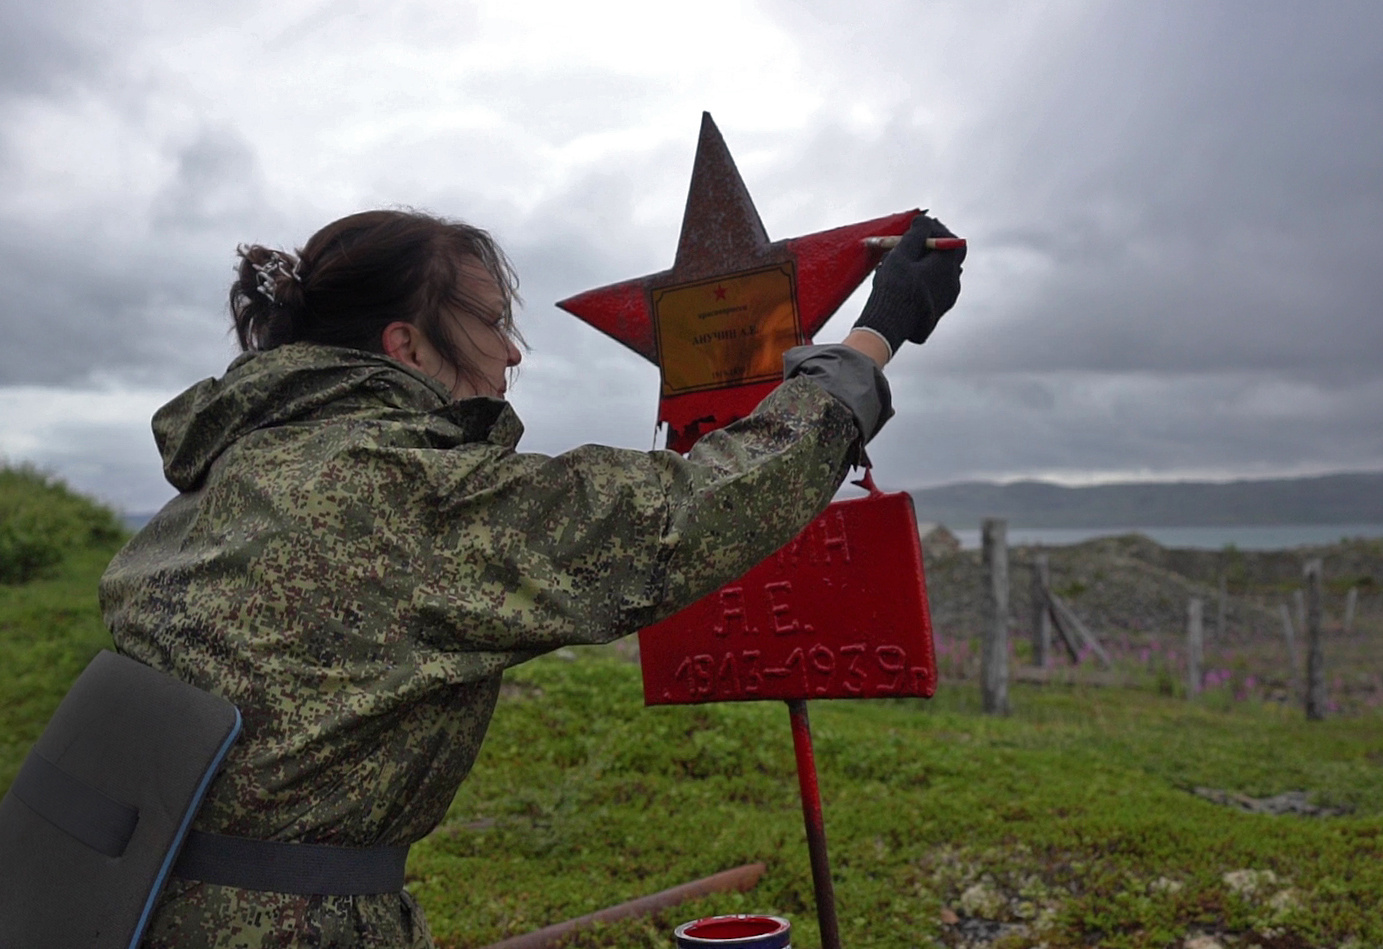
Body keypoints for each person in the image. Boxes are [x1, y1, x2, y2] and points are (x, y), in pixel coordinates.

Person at [99, 207, 964, 948]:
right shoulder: (393, 489)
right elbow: (684, 513)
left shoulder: (242, 467)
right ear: (406, 343)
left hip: (123, 890)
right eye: (488, 320)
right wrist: (872, 335)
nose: (512, 351)